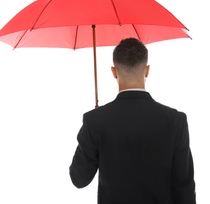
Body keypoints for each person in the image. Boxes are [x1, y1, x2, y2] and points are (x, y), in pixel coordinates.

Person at [69, 38, 196, 204]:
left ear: (114, 72)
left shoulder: (96, 121)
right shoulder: (175, 120)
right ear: (147, 70)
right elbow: (184, 188)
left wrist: (91, 128)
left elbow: (79, 179)